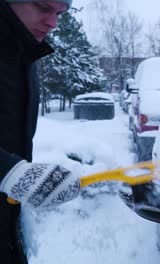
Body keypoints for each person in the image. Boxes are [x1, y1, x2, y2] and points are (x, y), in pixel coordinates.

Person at [0, 0, 81, 263]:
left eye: (59, 13)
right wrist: (8, 171)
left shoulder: (24, 57)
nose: (53, 23)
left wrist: (25, 177)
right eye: (43, 7)